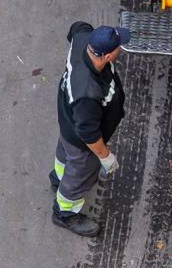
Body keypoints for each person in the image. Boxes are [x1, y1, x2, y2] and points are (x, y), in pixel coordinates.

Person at [49, 22, 129, 236]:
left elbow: (77, 26)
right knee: (80, 173)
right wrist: (105, 156)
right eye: (118, 46)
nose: (120, 48)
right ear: (107, 56)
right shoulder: (88, 93)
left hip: (68, 121)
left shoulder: (82, 39)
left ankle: (58, 179)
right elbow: (89, 134)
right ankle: (65, 213)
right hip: (82, 142)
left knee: (64, 154)